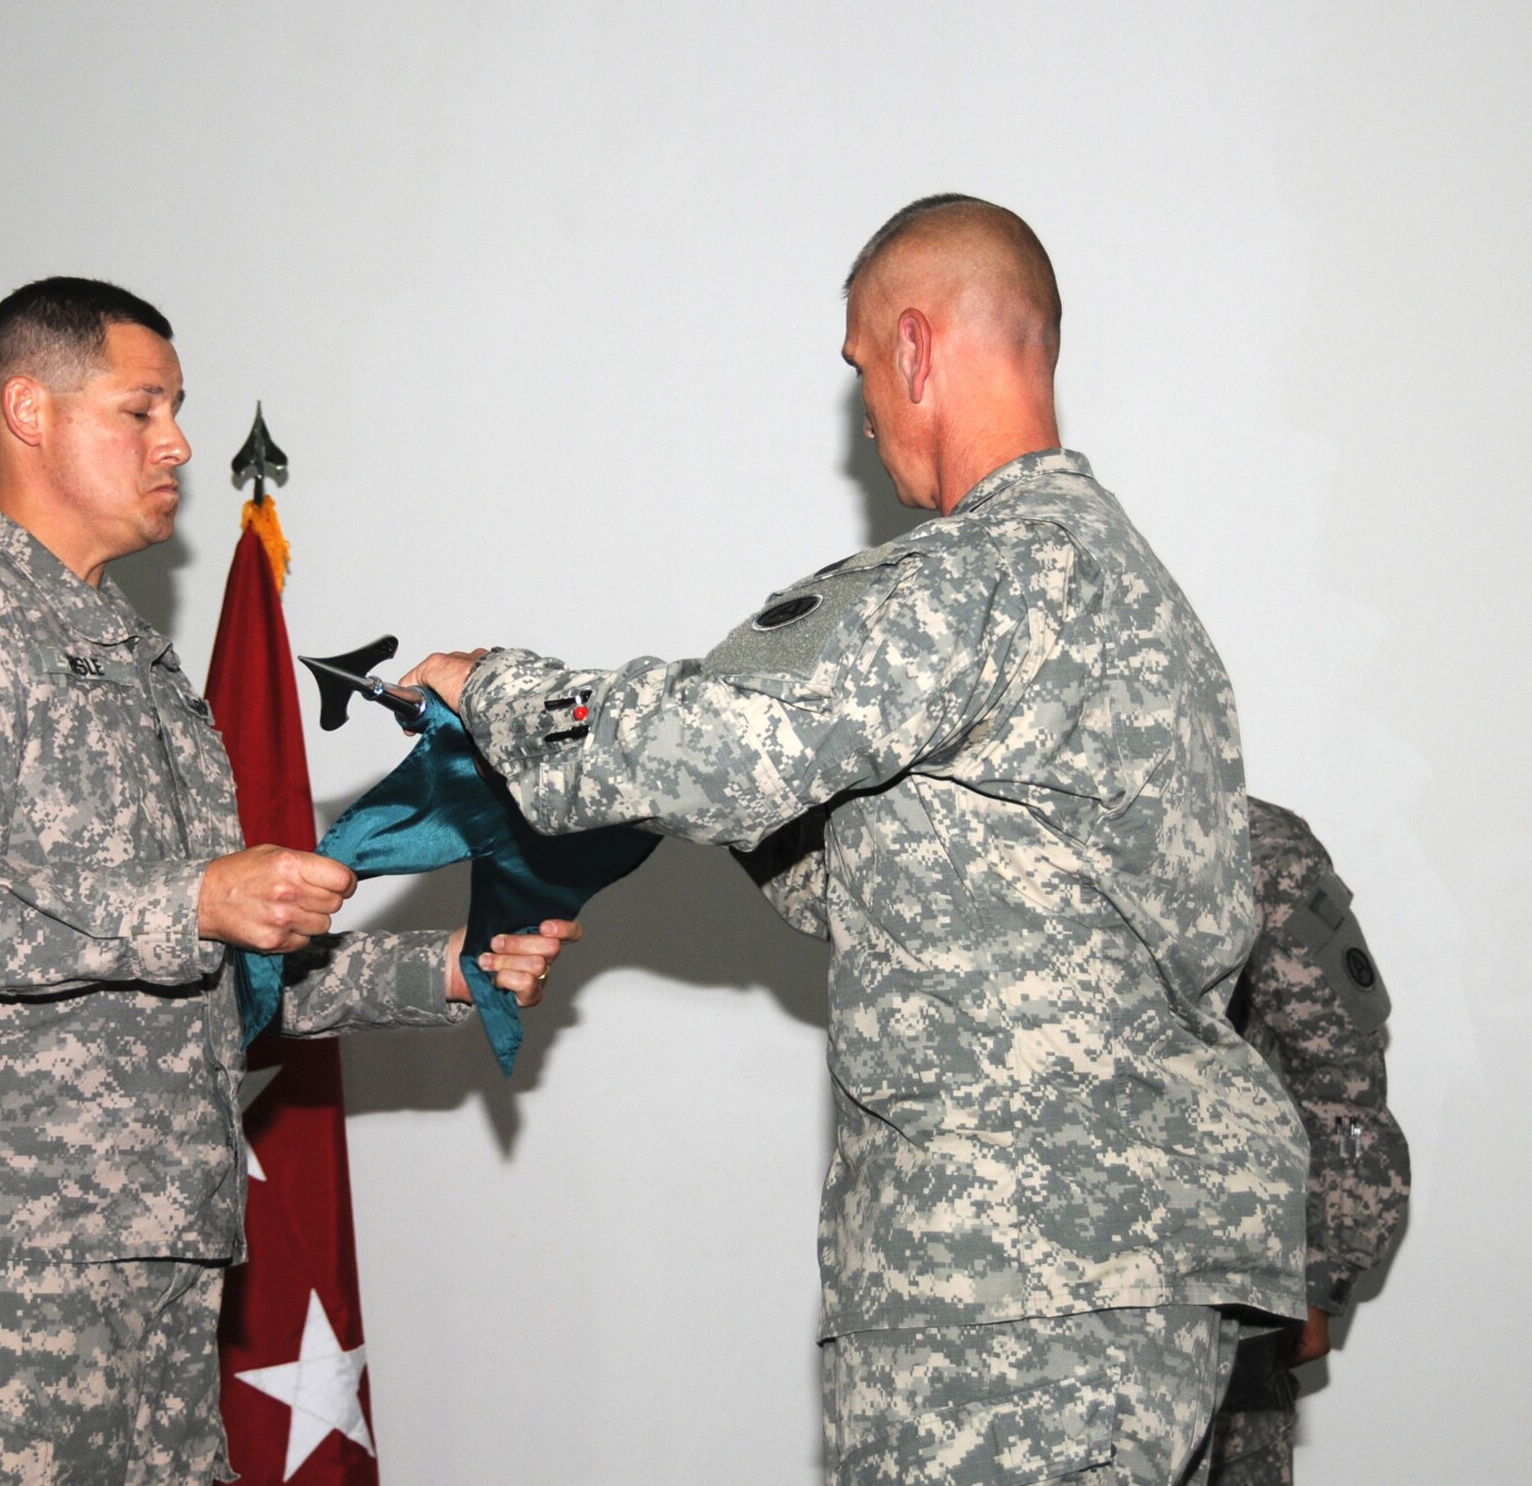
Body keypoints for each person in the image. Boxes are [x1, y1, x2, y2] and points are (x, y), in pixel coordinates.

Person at [405, 196, 1309, 1484]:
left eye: (859, 370)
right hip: (1120, 1272)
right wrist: (748, 820)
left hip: (1009, 1290)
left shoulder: (977, 576)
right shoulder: (1148, 610)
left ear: (915, 349)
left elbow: (719, 747)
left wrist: (495, 685)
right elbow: (908, 884)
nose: (866, 413)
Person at [0, 277, 579, 1484]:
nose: (179, 443)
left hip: (161, 1251)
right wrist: (190, 899)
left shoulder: (142, 673)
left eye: (178, 409)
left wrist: (449, 970)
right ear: (28, 411)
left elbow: (216, 972)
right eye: (140, 408)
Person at [1208, 798, 1410, 1485]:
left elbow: (1343, 1089)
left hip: (1226, 1303)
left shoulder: (1254, 846)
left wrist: (1322, 1274)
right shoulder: (960, 820)